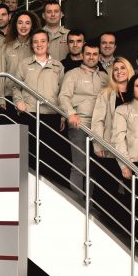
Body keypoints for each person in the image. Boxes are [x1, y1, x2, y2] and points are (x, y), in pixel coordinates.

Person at [12, 30, 66, 183]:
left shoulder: (58, 66)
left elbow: (63, 92)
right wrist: (18, 102)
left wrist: (63, 115)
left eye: (43, 41)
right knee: (29, 153)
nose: (39, 44)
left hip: (51, 115)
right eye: (36, 41)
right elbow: (15, 87)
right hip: (29, 113)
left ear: (48, 44)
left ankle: (47, 187)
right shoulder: (24, 64)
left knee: (49, 155)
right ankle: (29, 186)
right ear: (32, 44)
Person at [58, 41, 106, 189]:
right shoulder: (72, 74)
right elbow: (63, 96)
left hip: (100, 126)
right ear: (82, 55)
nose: (91, 57)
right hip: (79, 123)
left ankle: (89, 202)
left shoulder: (105, 77)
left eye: (95, 54)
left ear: (99, 56)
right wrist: (70, 114)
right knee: (80, 165)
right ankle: (75, 200)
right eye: (88, 54)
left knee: (95, 167)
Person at [90, 56, 132, 159]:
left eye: (122, 68)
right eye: (115, 69)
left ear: (129, 70)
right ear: (112, 73)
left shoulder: (137, 93)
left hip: (133, 146)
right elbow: (98, 121)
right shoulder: (105, 94)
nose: (119, 72)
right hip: (111, 146)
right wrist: (98, 145)